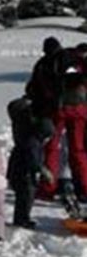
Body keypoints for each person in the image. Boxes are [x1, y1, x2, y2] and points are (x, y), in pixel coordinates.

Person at [39, 44, 87, 199]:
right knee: (78, 149)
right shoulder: (80, 62)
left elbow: (41, 85)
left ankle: (47, 188)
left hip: (57, 109)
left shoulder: (51, 61)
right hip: (79, 109)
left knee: (51, 148)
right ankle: (83, 187)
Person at [7, 97, 55, 229]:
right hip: (24, 174)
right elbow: (33, 161)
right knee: (25, 197)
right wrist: (44, 172)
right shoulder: (32, 142)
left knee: (24, 197)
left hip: (19, 170)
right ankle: (22, 220)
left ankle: (22, 218)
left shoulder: (23, 126)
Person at [25, 36, 62, 119]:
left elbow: (34, 81)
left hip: (49, 100)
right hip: (52, 99)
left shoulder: (42, 63)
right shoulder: (66, 58)